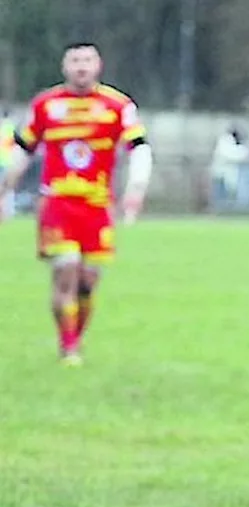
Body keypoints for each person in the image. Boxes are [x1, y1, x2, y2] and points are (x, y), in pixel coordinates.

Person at [0, 42, 152, 366]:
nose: (81, 67)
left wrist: (136, 189)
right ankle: (68, 347)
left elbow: (139, 148)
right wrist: (5, 192)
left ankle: (75, 338)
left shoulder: (117, 105)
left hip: (97, 207)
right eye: (74, 61)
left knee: (88, 282)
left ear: (98, 66)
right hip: (57, 204)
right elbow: (21, 151)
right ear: (64, 66)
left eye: (87, 60)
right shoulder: (46, 105)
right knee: (66, 271)